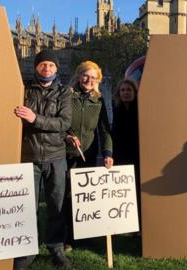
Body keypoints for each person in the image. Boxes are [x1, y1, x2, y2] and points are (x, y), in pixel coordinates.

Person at [13, 50, 72, 269]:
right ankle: (27, 250)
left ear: (57, 69)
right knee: (28, 207)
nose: (47, 68)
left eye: (51, 65)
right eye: (43, 65)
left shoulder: (64, 92)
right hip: (29, 156)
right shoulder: (23, 90)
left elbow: (63, 123)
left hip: (56, 157)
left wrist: (35, 118)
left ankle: (56, 247)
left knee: (56, 206)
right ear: (36, 67)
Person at [63, 60, 113, 249]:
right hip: (67, 154)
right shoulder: (66, 96)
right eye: (86, 75)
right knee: (67, 196)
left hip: (88, 154)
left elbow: (104, 130)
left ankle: (84, 234)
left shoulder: (98, 100)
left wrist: (107, 152)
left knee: (85, 196)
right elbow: (60, 122)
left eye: (93, 77)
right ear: (78, 76)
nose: (89, 80)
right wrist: (67, 136)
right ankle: (68, 237)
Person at [112, 79, 141, 224]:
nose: (125, 93)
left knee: (138, 191)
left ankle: (139, 222)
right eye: (122, 90)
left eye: (129, 90)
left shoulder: (141, 109)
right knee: (124, 192)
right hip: (121, 158)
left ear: (135, 92)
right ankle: (127, 222)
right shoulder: (117, 109)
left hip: (138, 157)